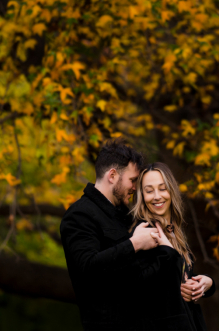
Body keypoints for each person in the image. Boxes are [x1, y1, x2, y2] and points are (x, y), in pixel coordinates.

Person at [60, 140, 165, 331]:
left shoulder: (127, 215)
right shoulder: (79, 215)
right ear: (113, 175)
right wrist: (133, 244)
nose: (135, 188)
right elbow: (87, 268)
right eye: (132, 180)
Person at [131, 162, 216, 331]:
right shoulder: (144, 233)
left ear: (171, 191)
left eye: (162, 188)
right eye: (149, 191)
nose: (157, 196)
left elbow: (178, 278)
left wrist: (206, 283)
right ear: (142, 195)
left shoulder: (173, 230)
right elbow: (143, 286)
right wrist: (167, 251)